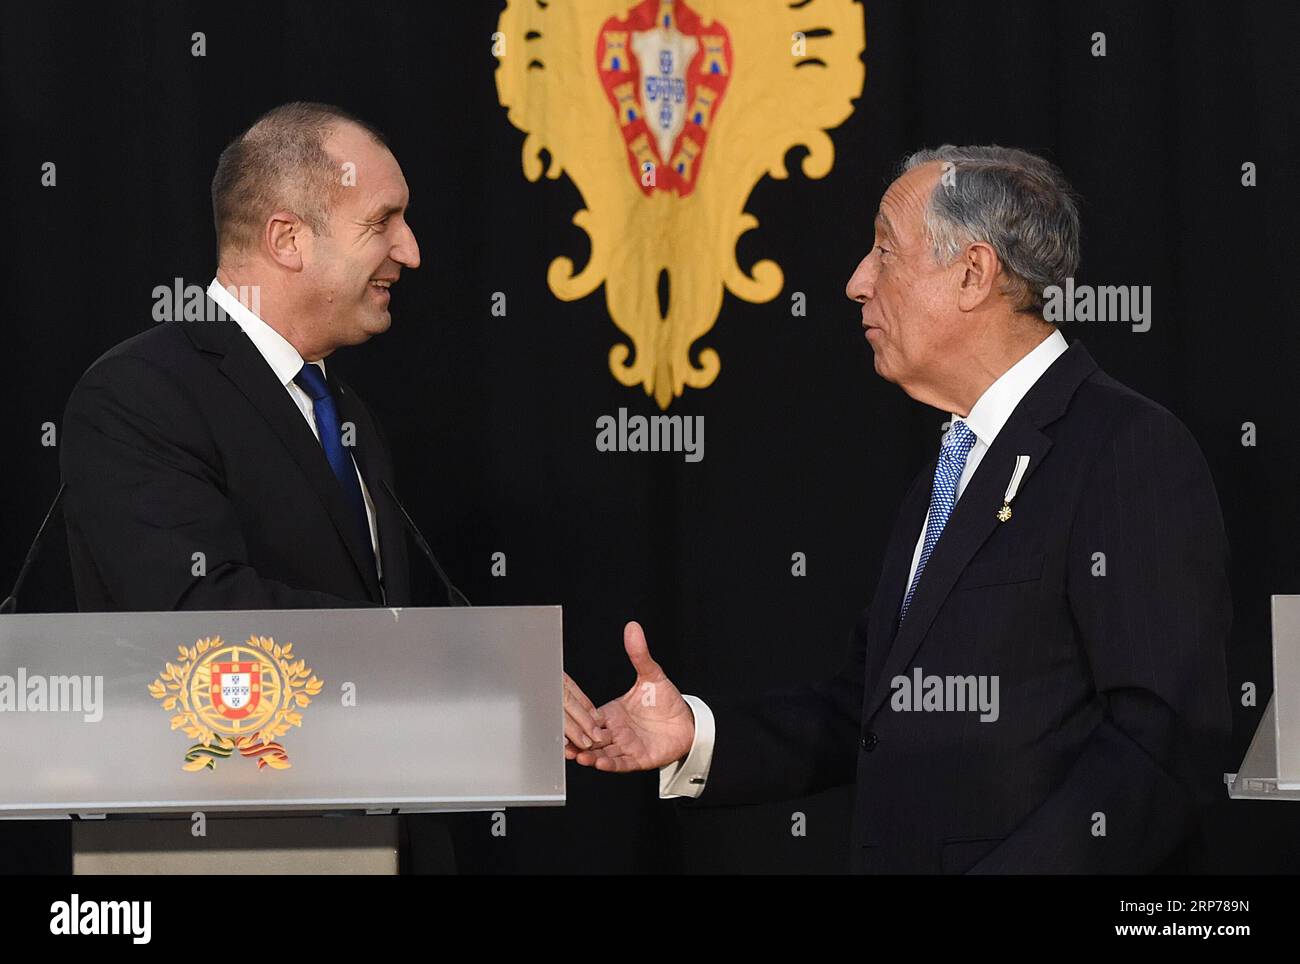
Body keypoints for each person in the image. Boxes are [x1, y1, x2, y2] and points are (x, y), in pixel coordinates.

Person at [563, 145, 1232, 874]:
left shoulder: (1127, 449)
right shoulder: (947, 471)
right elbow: (868, 711)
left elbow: (1158, 744)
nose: (856, 282)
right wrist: (694, 734)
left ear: (974, 273)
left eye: (885, 251)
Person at [60, 101, 606, 872]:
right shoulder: (140, 392)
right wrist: (456, 658)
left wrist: (503, 673)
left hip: (382, 841)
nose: (410, 252)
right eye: (383, 221)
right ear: (288, 239)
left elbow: (375, 604)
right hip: (234, 850)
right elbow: (196, 623)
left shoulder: (339, 408)